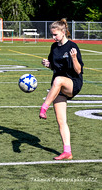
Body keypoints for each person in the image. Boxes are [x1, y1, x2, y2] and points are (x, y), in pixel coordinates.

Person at [39, 18, 84, 160]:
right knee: (61, 120)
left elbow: (78, 70)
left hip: (73, 83)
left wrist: (75, 58)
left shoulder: (72, 46)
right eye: (52, 35)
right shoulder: (54, 47)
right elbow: (54, 66)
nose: (53, 37)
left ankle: (43, 107)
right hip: (59, 86)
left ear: (63, 32)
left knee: (58, 80)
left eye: (55, 35)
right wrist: (48, 64)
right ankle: (67, 151)